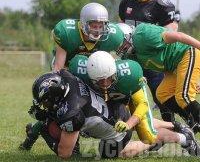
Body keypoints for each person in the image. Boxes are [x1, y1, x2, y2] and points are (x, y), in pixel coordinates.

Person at [68, 51, 200, 156]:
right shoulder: (81, 73)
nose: (105, 84)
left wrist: (128, 124)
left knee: (148, 135)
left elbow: (142, 104)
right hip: (112, 99)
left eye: (108, 78)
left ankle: (183, 138)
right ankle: (175, 125)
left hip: (130, 94)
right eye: (100, 81)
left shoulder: (128, 76)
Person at [20, 69, 132, 159]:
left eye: (45, 101)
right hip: (108, 111)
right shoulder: (67, 78)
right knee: (57, 120)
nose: (44, 105)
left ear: (55, 97)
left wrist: (44, 126)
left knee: (106, 153)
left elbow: (64, 154)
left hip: (119, 131)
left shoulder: (72, 113)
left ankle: (147, 145)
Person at [118, 0, 178, 121]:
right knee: (123, 91)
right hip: (131, 56)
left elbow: (171, 32)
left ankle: (172, 125)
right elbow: (121, 28)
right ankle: (120, 122)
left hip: (152, 58)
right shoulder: (125, 3)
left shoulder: (160, 6)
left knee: (159, 95)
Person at [131, 22, 200, 133]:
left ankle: (197, 120)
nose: (121, 48)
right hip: (174, 66)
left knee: (184, 96)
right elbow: (164, 63)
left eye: (123, 43)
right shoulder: (131, 54)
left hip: (187, 53)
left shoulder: (143, 36)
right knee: (163, 94)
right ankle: (192, 121)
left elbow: (179, 36)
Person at [52, 2, 125, 71]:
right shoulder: (68, 33)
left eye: (100, 26)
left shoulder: (112, 36)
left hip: (96, 73)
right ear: (83, 24)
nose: (98, 30)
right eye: (94, 26)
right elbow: (58, 68)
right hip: (67, 69)